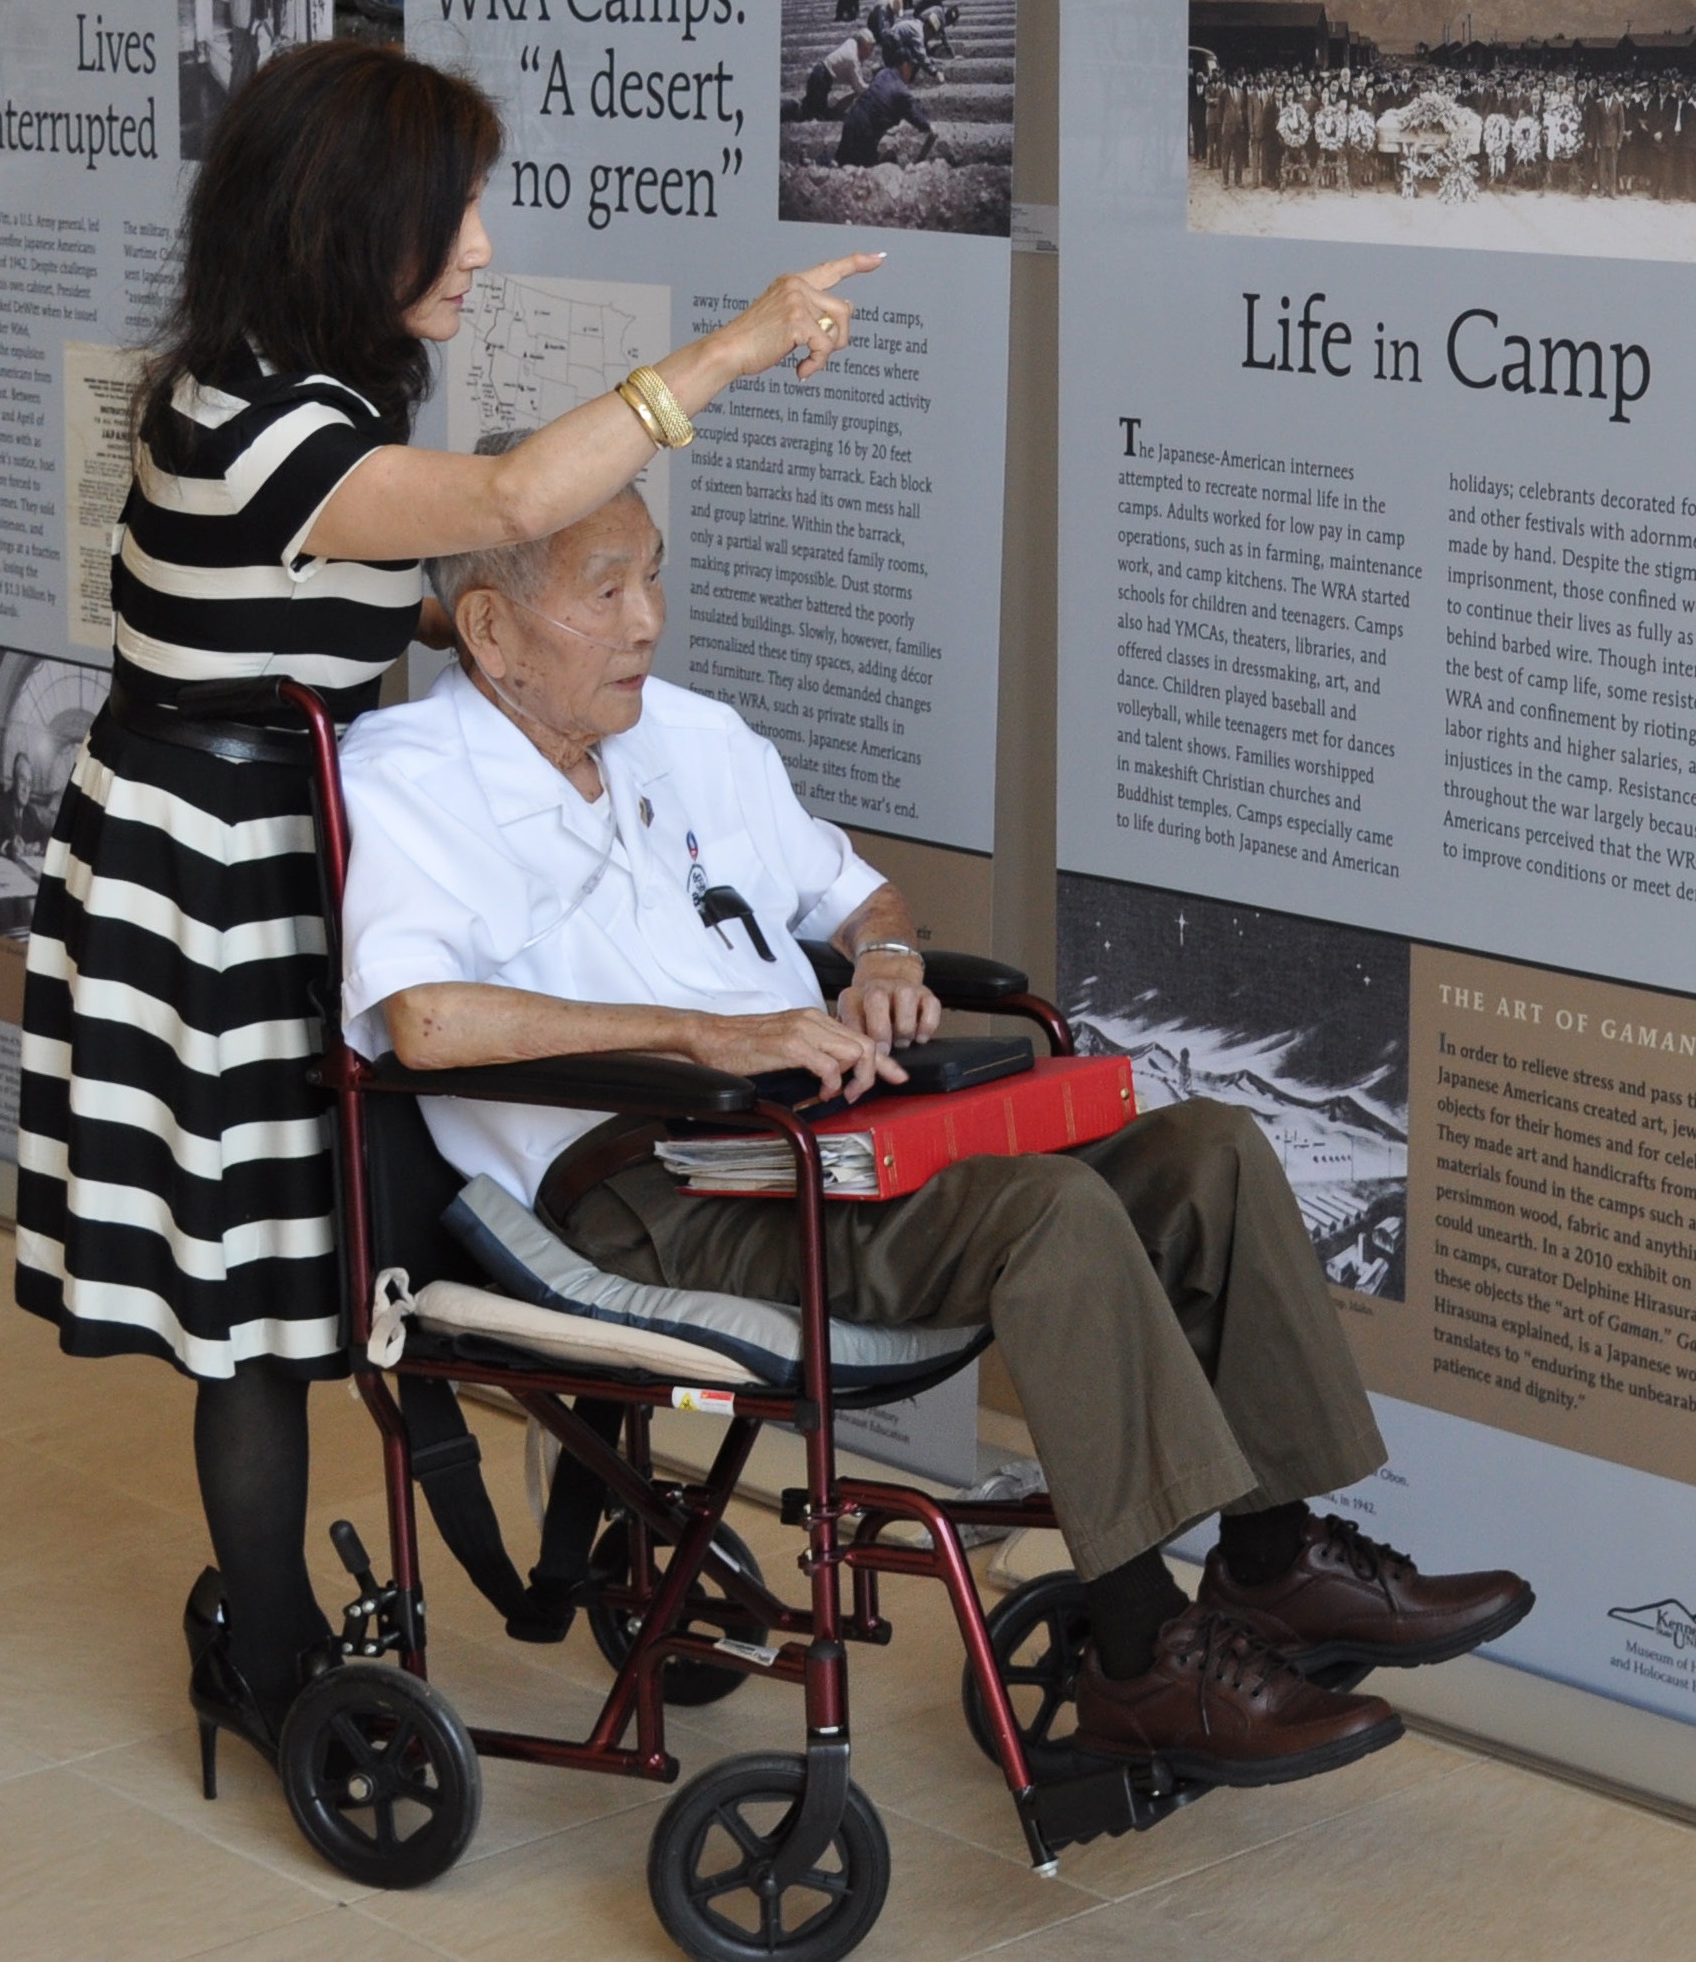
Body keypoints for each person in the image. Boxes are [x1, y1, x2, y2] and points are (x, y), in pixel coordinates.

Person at [338, 463, 1534, 1788]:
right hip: (653, 1178)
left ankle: (1273, 1565)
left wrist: (887, 952)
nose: (647, 620)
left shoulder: (685, 733)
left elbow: (856, 889)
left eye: (652, 574)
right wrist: (708, 1034)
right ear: (492, 630)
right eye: (605, 591)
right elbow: (426, 1022)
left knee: (1208, 1151)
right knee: (1053, 1215)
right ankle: (1139, 1663)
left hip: (819, 1128)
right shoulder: (405, 778)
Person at [12, 38, 880, 1783]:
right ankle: (260, 1662)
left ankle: (536, 1558)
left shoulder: (305, 399)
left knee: (364, 1245)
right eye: (454, 212)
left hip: (274, 836)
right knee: (257, 1295)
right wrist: (731, 346)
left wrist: (488, 629)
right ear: (350, 223)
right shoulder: (256, 424)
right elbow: (490, 508)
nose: (480, 245)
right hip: (210, 888)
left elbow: (361, 598)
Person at [837, 51, 937, 168]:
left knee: (841, 164)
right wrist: (928, 126)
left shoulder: (884, 73)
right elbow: (913, 114)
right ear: (904, 65)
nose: (912, 73)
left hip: (851, 120)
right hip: (864, 132)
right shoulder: (901, 91)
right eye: (912, 68)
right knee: (865, 172)